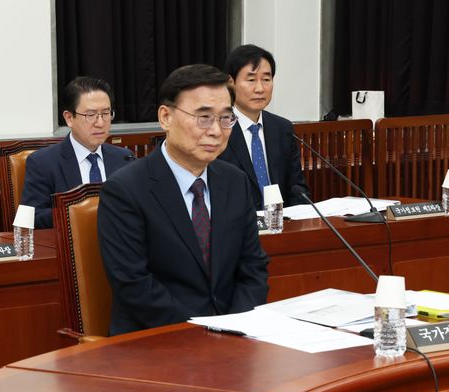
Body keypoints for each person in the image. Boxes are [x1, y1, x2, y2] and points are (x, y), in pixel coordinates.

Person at [98, 64, 269, 335]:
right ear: (165, 117)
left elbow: (253, 269)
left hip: (232, 338)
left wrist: (233, 328)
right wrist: (206, 334)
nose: (216, 130)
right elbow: (134, 285)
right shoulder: (125, 190)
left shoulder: (235, 182)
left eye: (226, 118)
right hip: (155, 341)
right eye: (204, 117)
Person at [20, 76, 132, 229]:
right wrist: (81, 212)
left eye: (106, 113)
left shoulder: (125, 159)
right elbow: (33, 219)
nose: (100, 123)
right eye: (90, 115)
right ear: (69, 118)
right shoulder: (43, 163)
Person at [219, 44, 309, 210]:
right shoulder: (217, 129)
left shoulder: (282, 128)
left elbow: (297, 189)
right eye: (251, 80)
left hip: (281, 221)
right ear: (231, 83)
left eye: (266, 80)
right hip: (237, 222)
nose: (260, 89)